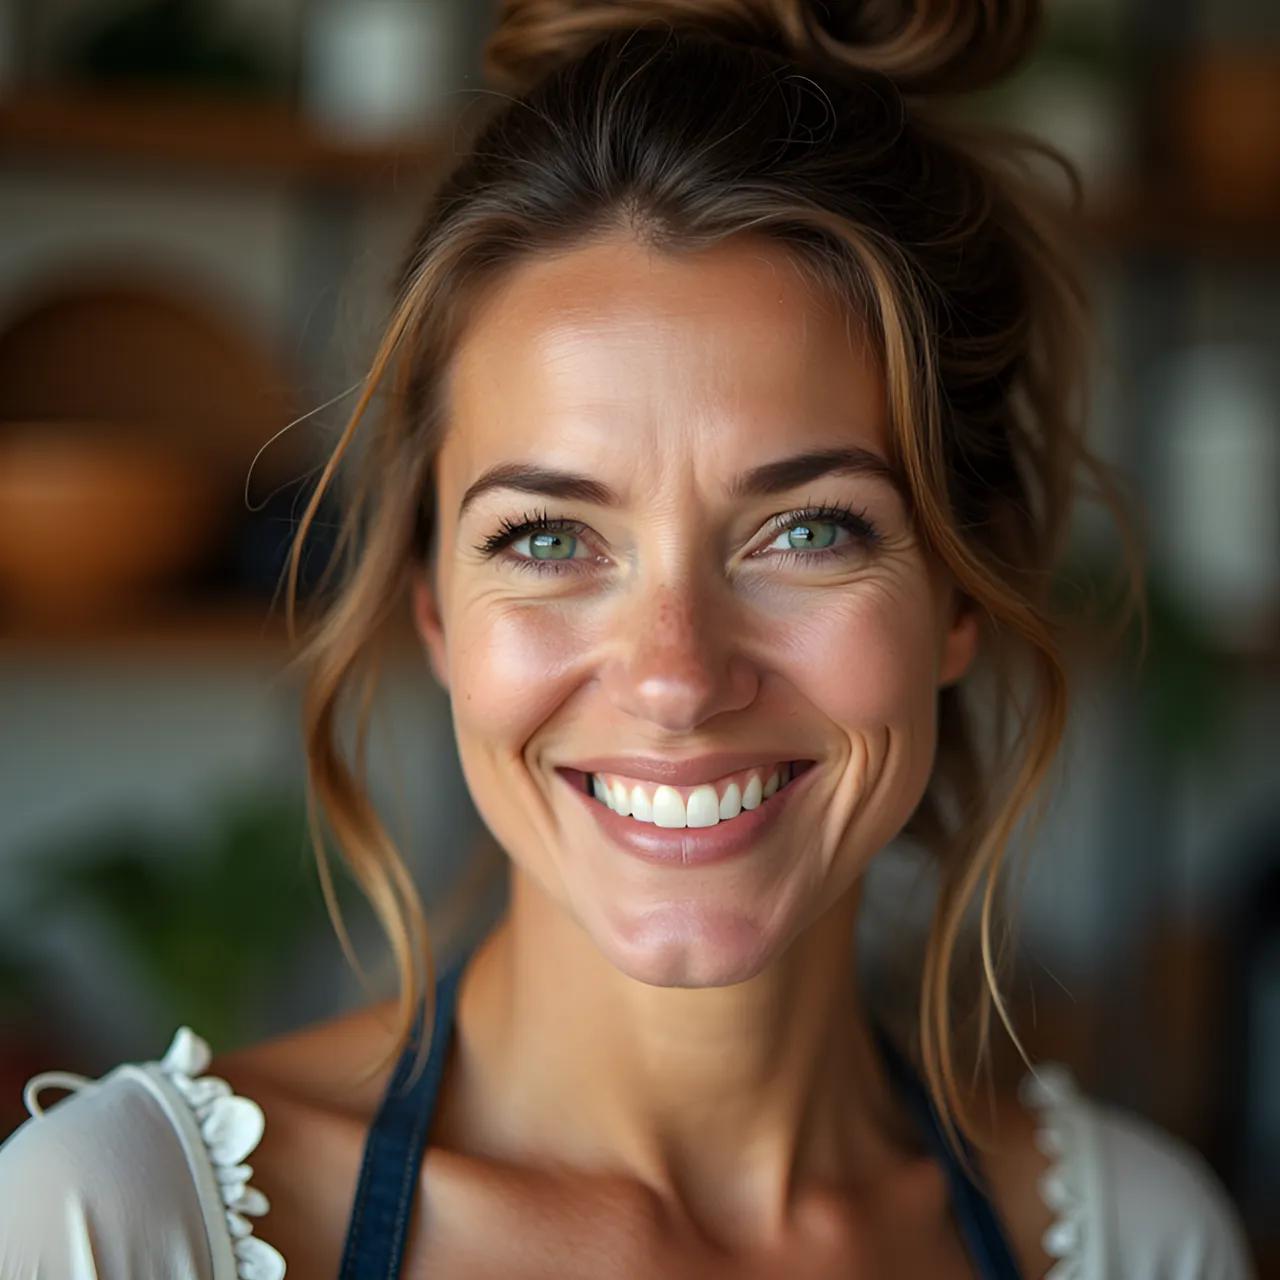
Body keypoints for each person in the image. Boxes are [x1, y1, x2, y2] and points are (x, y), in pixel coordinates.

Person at [0, 2, 1260, 1276]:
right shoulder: (120, 1221)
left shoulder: (1140, 1239)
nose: (675, 676)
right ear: (435, 608)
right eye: (548, 539)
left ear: (958, 594)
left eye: (807, 529)